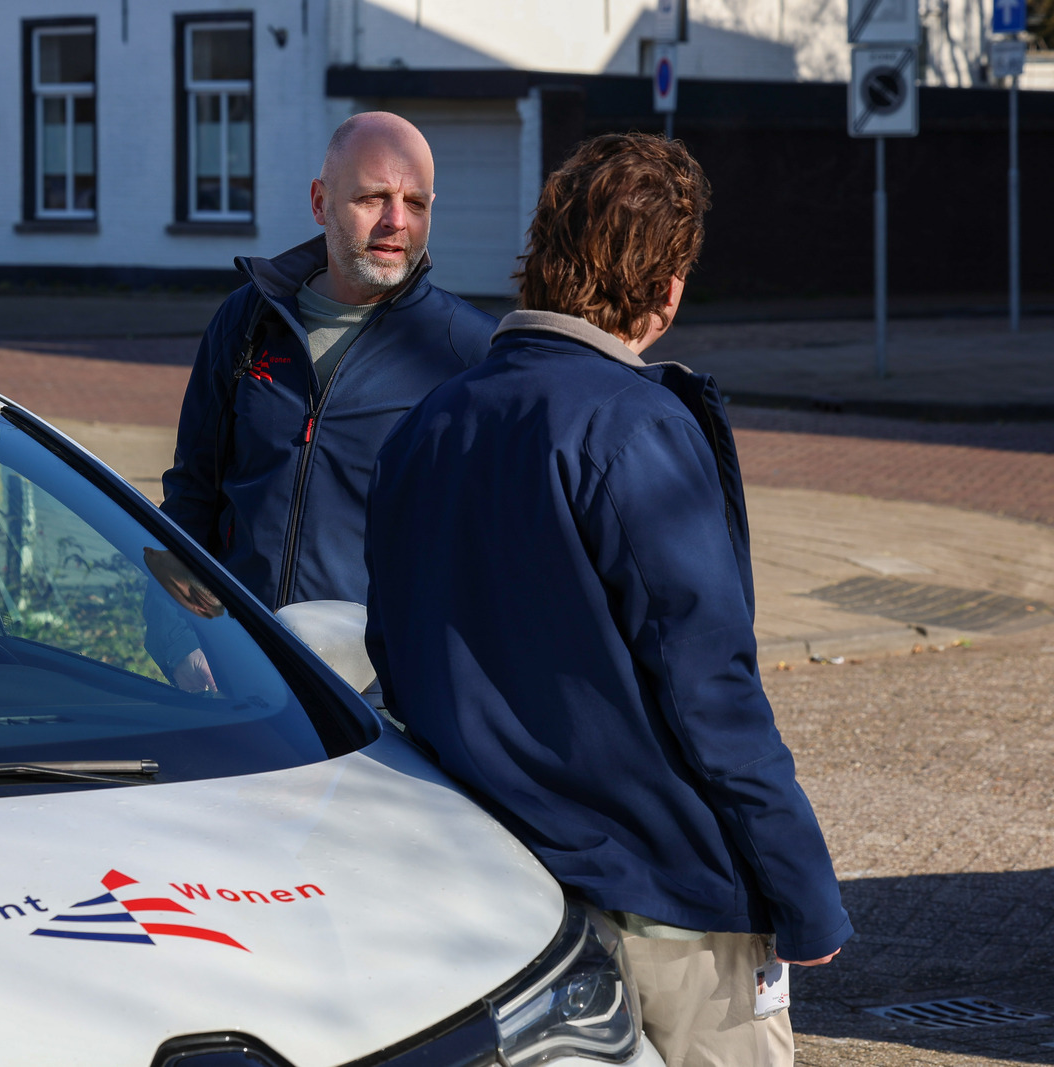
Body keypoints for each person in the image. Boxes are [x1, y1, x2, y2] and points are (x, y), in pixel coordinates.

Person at [363, 133, 851, 1067]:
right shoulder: (632, 427)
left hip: (502, 891)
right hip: (664, 897)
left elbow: (398, 653)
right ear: (665, 287)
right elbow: (711, 689)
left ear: (540, 252)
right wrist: (804, 890)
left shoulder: (425, 428)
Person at [148, 112, 494, 690]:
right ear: (319, 202)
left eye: (415, 203)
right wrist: (178, 640)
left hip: (377, 701)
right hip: (236, 669)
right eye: (372, 198)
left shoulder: (467, 353)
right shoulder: (248, 320)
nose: (396, 221)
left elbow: (488, 554)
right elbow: (191, 497)